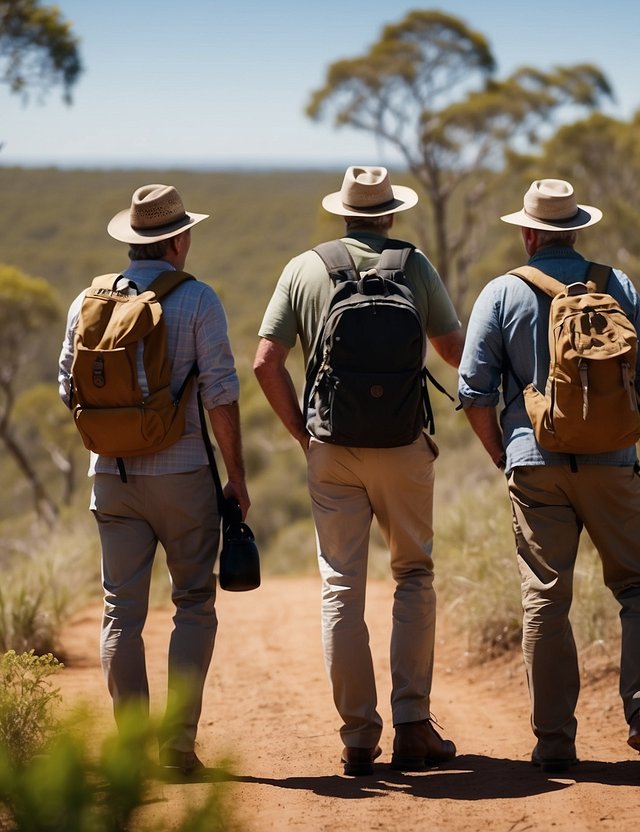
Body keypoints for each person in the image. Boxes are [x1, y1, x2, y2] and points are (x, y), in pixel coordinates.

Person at [457, 178, 640, 775]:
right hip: (614, 467)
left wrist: (502, 454)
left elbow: (473, 390)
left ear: (529, 233)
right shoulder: (619, 286)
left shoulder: (502, 292)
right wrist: (619, 438)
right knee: (639, 589)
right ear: (578, 229)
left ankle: (556, 741)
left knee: (545, 600)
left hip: (534, 466)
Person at [253, 166, 464, 776]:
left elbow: (267, 362)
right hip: (402, 445)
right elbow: (453, 351)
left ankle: (358, 735)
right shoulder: (414, 265)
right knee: (414, 575)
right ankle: (414, 725)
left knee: (341, 585)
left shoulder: (304, 267)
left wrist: (302, 432)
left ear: (343, 214)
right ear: (390, 214)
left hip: (332, 447)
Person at [57, 183, 249, 776]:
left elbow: (68, 389)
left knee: (121, 612)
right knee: (192, 603)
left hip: (110, 479)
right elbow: (220, 394)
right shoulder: (198, 300)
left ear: (134, 241)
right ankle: (177, 747)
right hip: (184, 474)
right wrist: (236, 479)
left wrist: (117, 432)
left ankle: (133, 753)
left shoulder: (86, 301)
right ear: (179, 239)